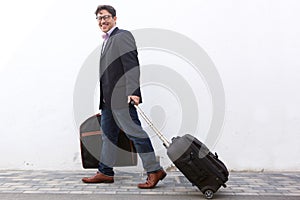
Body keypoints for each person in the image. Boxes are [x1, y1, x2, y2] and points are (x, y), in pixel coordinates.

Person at [82, 5, 167, 189]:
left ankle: (154, 170)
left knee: (136, 134)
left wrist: (134, 92)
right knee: (108, 136)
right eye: (99, 18)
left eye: (105, 17)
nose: (102, 21)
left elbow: (131, 65)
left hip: (121, 98)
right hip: (107, 102)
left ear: (114, 18)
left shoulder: (122, 36)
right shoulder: (107, 41)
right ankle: (105, 172)